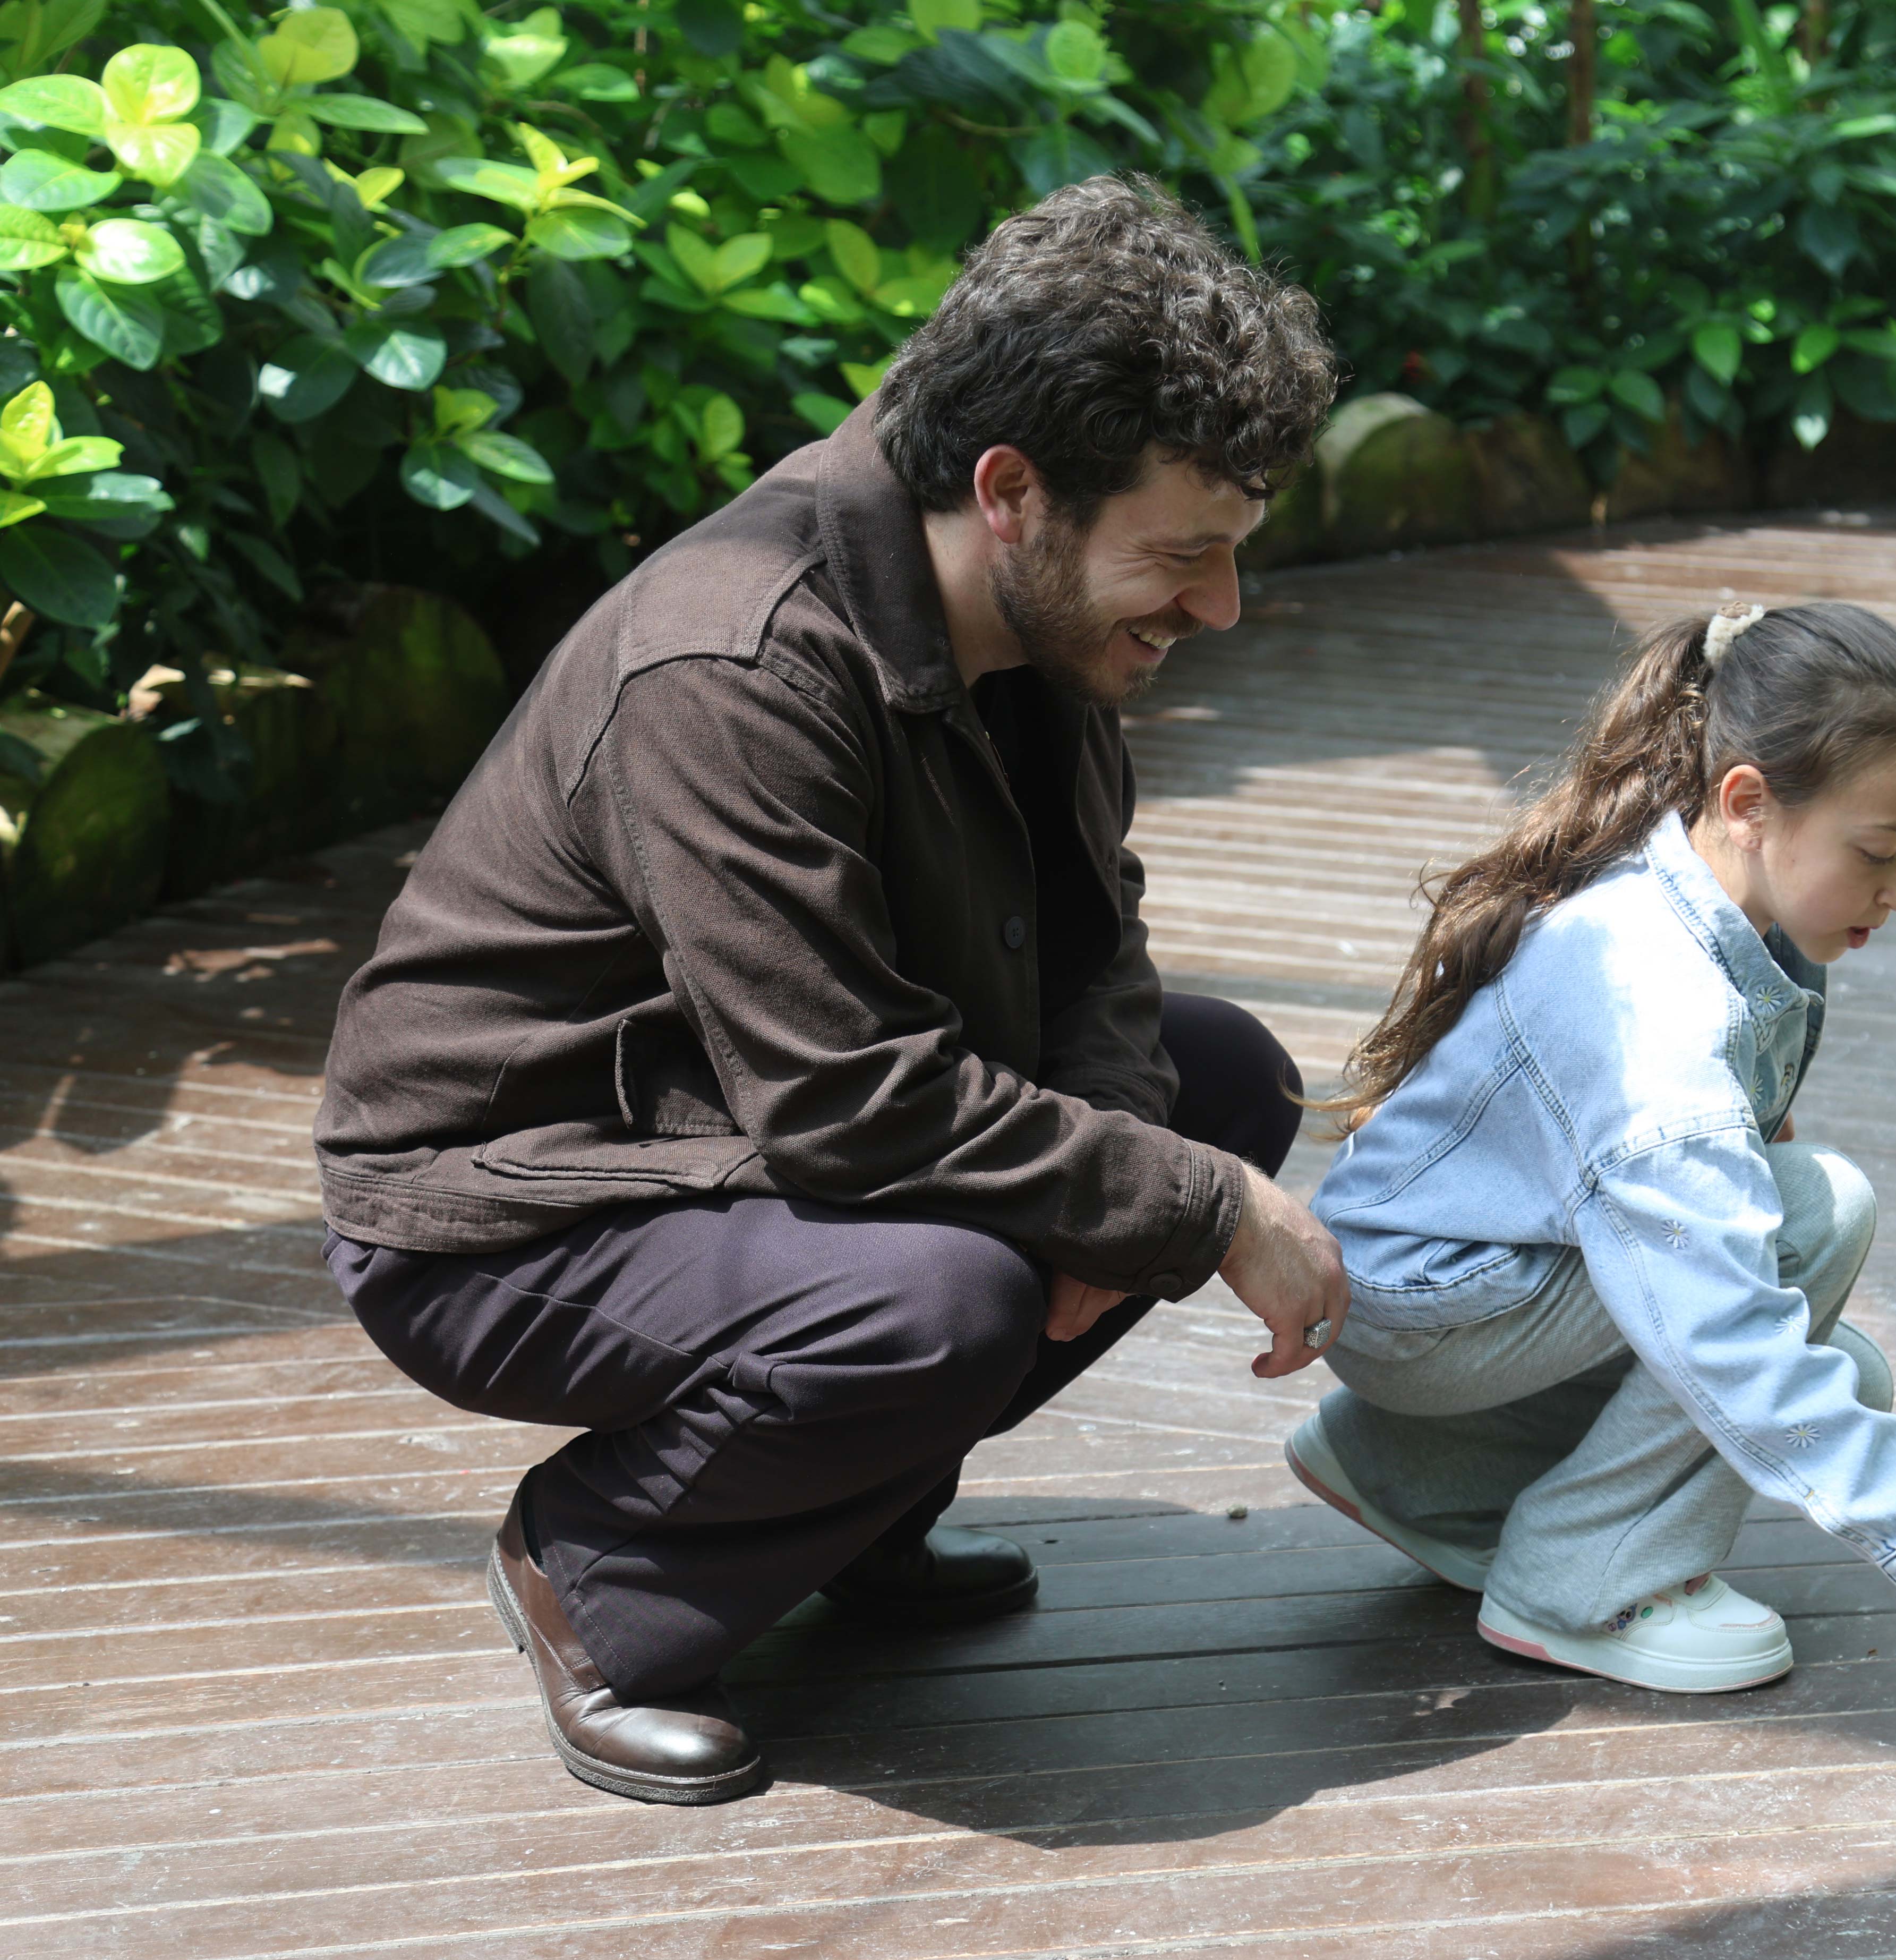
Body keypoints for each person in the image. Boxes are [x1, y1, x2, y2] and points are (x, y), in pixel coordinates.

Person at [311, 178, 1350, 1805]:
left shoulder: (1041, 616)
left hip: (750, 1124)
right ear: (1011, 493)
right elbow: (847, 1104)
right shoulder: (732, 660)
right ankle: (594, 1572)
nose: (1216, 607)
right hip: (512, 1204)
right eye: (1184, 556)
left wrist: (1149, 1180)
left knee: (1216, 1083)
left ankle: (843, 1519)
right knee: (946, 1300)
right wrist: (1195, 1210)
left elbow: (1097, 945)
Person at [1290, 600, 1896, 1692]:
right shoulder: (1655, 1009)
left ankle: (1415, 1471)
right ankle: (1581, 1580)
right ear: (1747, 802)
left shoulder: (1720, 897)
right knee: (1818, 1212)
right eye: (1880, 850)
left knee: (1850, 1370)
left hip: (1433, 1288)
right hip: (1434, 1310)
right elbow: (1717, 1321)